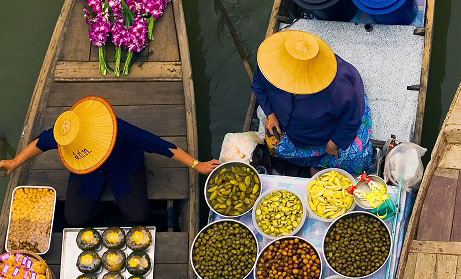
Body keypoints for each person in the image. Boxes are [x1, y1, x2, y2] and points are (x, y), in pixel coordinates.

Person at [0, 96, 218, 227]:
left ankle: (121, 204)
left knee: (138, 214)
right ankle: (106, 207)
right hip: (87, 172)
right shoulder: (67, 132)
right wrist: (15, 162)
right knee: (74, 218)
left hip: (123, 168)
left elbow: (159, 145)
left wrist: (196, 164)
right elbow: (40, 142)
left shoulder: (118, 129)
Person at [251, 30, 373, 175]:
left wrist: (334, 144)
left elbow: (351, 118)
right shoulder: (271, 66)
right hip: (296, 131)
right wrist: (270, 113)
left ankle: (322, 164)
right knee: (277, 150)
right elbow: (258, 85)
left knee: (355, 157)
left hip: (326, 130)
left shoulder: (337, 87)